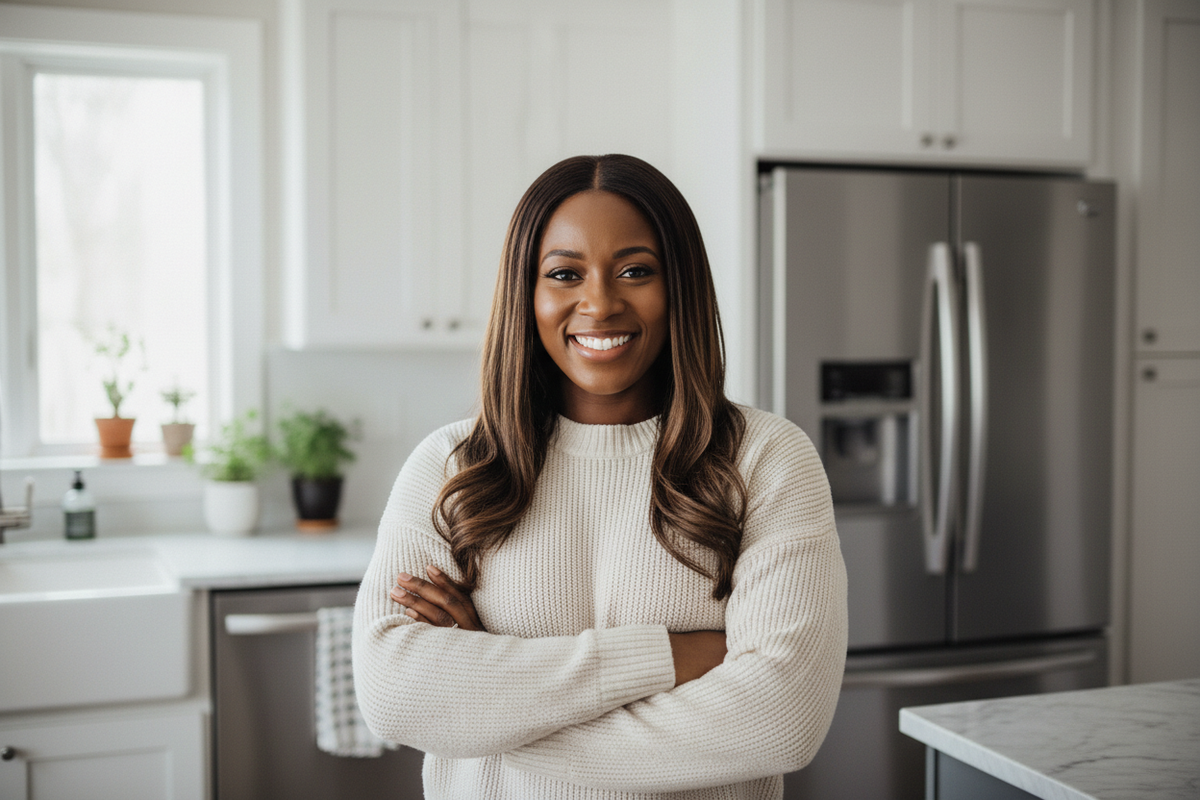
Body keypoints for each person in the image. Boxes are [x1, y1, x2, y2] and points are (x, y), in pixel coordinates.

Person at [352, 154, 847, 799]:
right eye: (564, 274)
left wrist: (491, 703)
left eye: (636, 271)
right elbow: (394, 693)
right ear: (526, 294)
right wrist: (670, 655)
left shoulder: (765, 460)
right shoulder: (452, 467)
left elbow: (782, 719)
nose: (600, 303)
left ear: (680, 287)